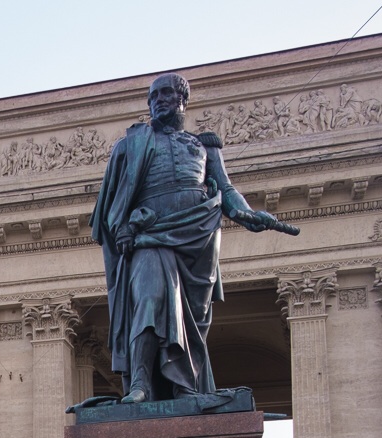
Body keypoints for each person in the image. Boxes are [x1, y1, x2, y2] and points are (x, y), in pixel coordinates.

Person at [91, 73, 288, 404]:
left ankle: (186, 387)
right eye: (153, 96)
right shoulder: (130, 145)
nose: (159, 100)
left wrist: (247, 214)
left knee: (190, 320)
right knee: (150, 298)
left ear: (183, 99)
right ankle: (140, 382)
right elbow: (109, 202)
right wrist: (122, 225)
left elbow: (224, 189)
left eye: (167, 93)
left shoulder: (203, 146)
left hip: (197, 238)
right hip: (149, 237)